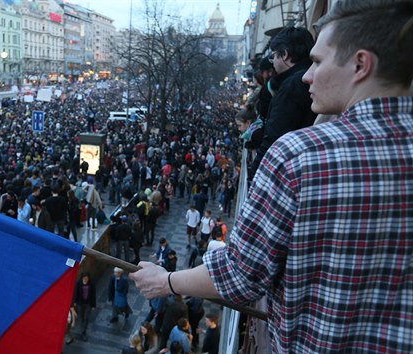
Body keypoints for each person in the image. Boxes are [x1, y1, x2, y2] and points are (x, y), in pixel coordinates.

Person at [130, 1, 413, 352]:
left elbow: (239, 276)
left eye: (319, 61)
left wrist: (166, 281)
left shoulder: (298, 155)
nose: (306, 75)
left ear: (360, 65)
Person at [251, 26, 317, 175]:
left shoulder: (291, 86)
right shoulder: (310, 75)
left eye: (274, 56)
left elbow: (274, 138)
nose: (272, 61)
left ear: (285, 55)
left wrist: (255, 173)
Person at [73, 272, 96, 341]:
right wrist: (75, 302)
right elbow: (76, 293)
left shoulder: (91, 284)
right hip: (80, 303)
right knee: (81, 317)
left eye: (87, 278)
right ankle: (83, 329)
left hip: (88, 303)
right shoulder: (78, 283)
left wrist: (93, 305)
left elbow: (93, 295)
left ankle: (83, 331)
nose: (86, 279)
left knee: (86, 318)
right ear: (82, 278)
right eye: (84, 278)